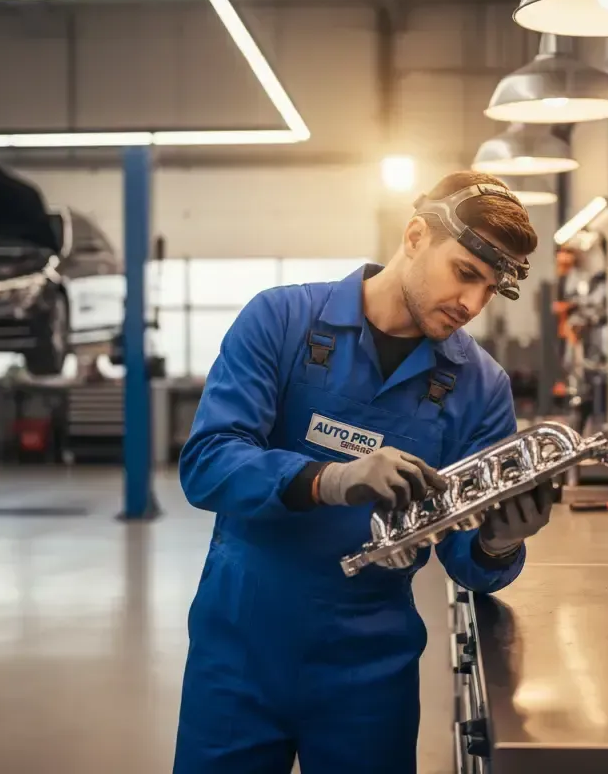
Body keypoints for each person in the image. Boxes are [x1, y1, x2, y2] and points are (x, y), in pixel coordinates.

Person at [173, 171, 554, 774]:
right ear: (414, 236)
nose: (473, 305)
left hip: (369, 668)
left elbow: (465, 556)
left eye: (490, 289)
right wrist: (329, 479)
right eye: (465, 273)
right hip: (240, 646)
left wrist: (498, 542)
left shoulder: (480, 388)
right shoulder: (282, 322)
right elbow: (207, 463)